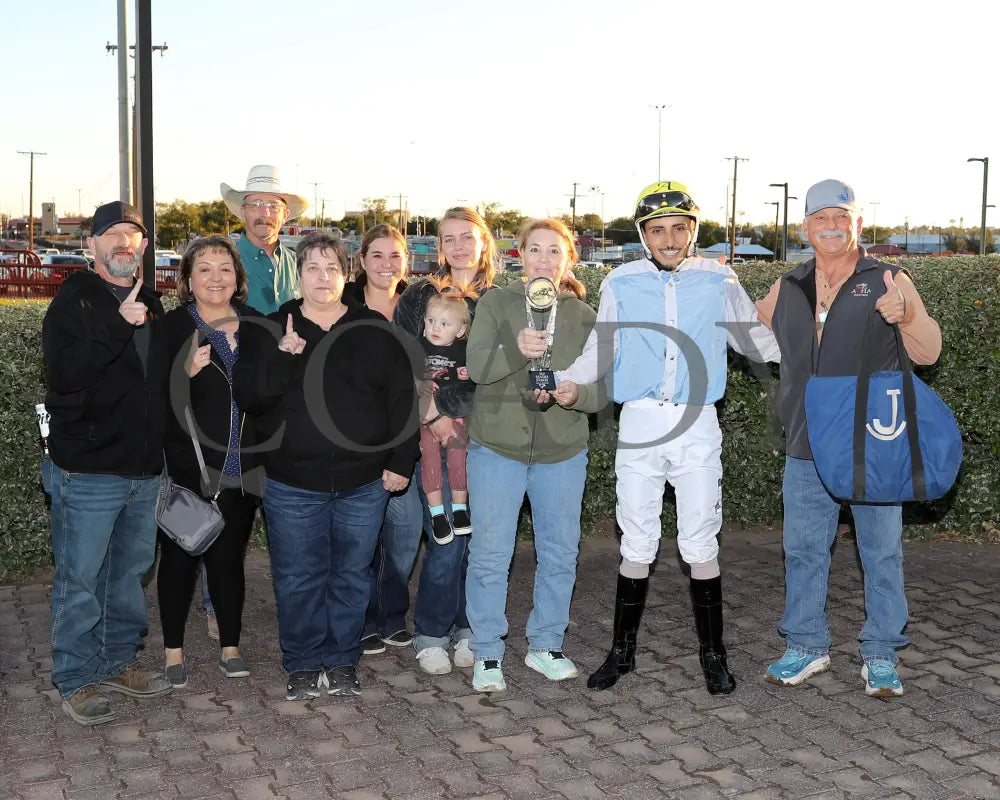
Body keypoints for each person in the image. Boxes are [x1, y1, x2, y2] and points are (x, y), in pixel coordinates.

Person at [557, 181, 780, 695]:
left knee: (700, 541)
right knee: (636, 539)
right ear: (644, 235)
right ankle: (622, 652)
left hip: (698, 422)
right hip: (639, 423)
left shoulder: (718, 279)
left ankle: (713, 655)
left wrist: (809, 357)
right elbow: (602, 346)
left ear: (693, 231)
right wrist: (568, 380)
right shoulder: (621, 280)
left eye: (679, 228)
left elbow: (753, 339)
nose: (669, 238)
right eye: (657, 230)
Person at [754, 179, 942, 697]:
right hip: (807, 443)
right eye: (820, 218)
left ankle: (881, 652)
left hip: (872, 444)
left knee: (881, 552)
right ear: (805, 227)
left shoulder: (887, 278)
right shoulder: (787, 285)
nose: (831, 226)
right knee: (803, 549)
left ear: (858, 224)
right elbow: (752, 326)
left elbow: (927, 353)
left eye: (842, 217)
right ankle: (807, 646)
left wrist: (905, 316)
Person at [233, 231, 418, 699]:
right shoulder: (272, 328)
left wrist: (401, 461)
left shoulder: (375, 330)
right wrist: (282, 358)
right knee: (297, 577)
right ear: (299, 273)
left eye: (331, 268)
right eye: (312, 267)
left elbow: (402, 402)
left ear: (345, 273)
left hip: (364, 482)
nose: (321, 277)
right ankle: (301, 663)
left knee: (351, 576)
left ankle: (340, 662)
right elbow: (251, 397)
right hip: (292, 483)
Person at [42, 201, 172, 725]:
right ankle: (75, 676)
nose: (124, 242)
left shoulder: (156, 303)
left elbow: (157, 384)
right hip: (89, 472)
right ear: (91, 246)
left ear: (143, 247)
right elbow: (66, 377)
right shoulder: (73, 300)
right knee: (81, 578)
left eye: (133, 235)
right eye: (112, 234)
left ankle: (118, 661)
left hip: (145, 470)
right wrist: (117, 325)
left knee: (129, 576)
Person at [464, 218, 607, 692]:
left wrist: (574, 395)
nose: (544, 259)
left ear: (569, 258)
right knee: (489, 554)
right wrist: (515, 349)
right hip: (497, 449)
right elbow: (478, 368)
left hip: (561, 452)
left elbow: (602, 391)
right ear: (518, 255)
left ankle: (545, 645)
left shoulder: (585, 317)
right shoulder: (494, 302)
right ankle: (487, 652)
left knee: (561, 553)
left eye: (554, 251)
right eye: (534, 250)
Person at [394, 206, 496, 675]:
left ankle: (470, 628)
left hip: (485, 435)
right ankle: (431, 631)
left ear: (483, 243)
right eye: (448, 238)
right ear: (438, 247)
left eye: (466, 237)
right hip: (430, 430)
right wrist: (431, 413)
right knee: (446, 538)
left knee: (478, 539)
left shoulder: (500, 299)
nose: (458, 246)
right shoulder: (419, 296)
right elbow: (403, 361)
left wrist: (449, 408)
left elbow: (498, 370)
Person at [158, 235, 264, 688]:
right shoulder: (170, 329)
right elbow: (152, 400)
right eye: (204, 268)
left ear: (238, 278)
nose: (215, 277)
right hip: (192, 468)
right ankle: (172, 653)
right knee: (181, 558)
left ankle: (231, 646)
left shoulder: (259, 326)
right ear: (187, 279)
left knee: (228, 560)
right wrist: (184, 374)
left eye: (224, 267)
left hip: (244, 468)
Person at [343, 224, 423, 655]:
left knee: (406, 534)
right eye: (378, 255)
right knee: (363, 538)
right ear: (362, 260)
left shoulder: (417, 305)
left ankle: (392, 613)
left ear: (406, 261)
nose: (386, 264)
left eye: (395, 256)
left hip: (410, 434)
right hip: (361, 437)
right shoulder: (344, 305)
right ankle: (365, 620)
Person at [419, 289, 474, 545]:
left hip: (456, 416)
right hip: (424, 418)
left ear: (461, 330)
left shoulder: (465, 351)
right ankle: (437, 513)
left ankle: (460, 509)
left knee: (458, 454)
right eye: (431, 321)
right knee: (428, 454)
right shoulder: (418, 348)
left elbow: (471, 387)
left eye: (444, 323)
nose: (435, 328)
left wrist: (455, 413)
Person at [221, 164, 309, 315]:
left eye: (273, 206)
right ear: (243, 212)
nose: (265, 213)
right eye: (256, 205)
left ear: (285, 214)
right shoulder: (223, 262)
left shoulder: (299, 264)